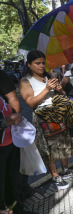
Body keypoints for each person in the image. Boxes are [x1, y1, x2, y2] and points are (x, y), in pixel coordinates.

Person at [19, 50, 73, 190]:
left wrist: (60, 90)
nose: (41, 66)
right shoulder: (25, 81)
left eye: (43, 63)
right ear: (29, 64)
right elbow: (30, 103)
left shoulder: (48, 76)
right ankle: (55, 176)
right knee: (49, 149)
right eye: (37, 63)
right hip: (42, 116)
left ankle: (65, 170)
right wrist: (46, 89)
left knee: (63, 143)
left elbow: (62, 94)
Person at [0, 70, 23, 213]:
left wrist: (15, 123)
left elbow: (13, 98)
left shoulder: (1, 75)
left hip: (10, 140)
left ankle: (15, 207)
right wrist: (4, 123)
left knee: (13, 180)